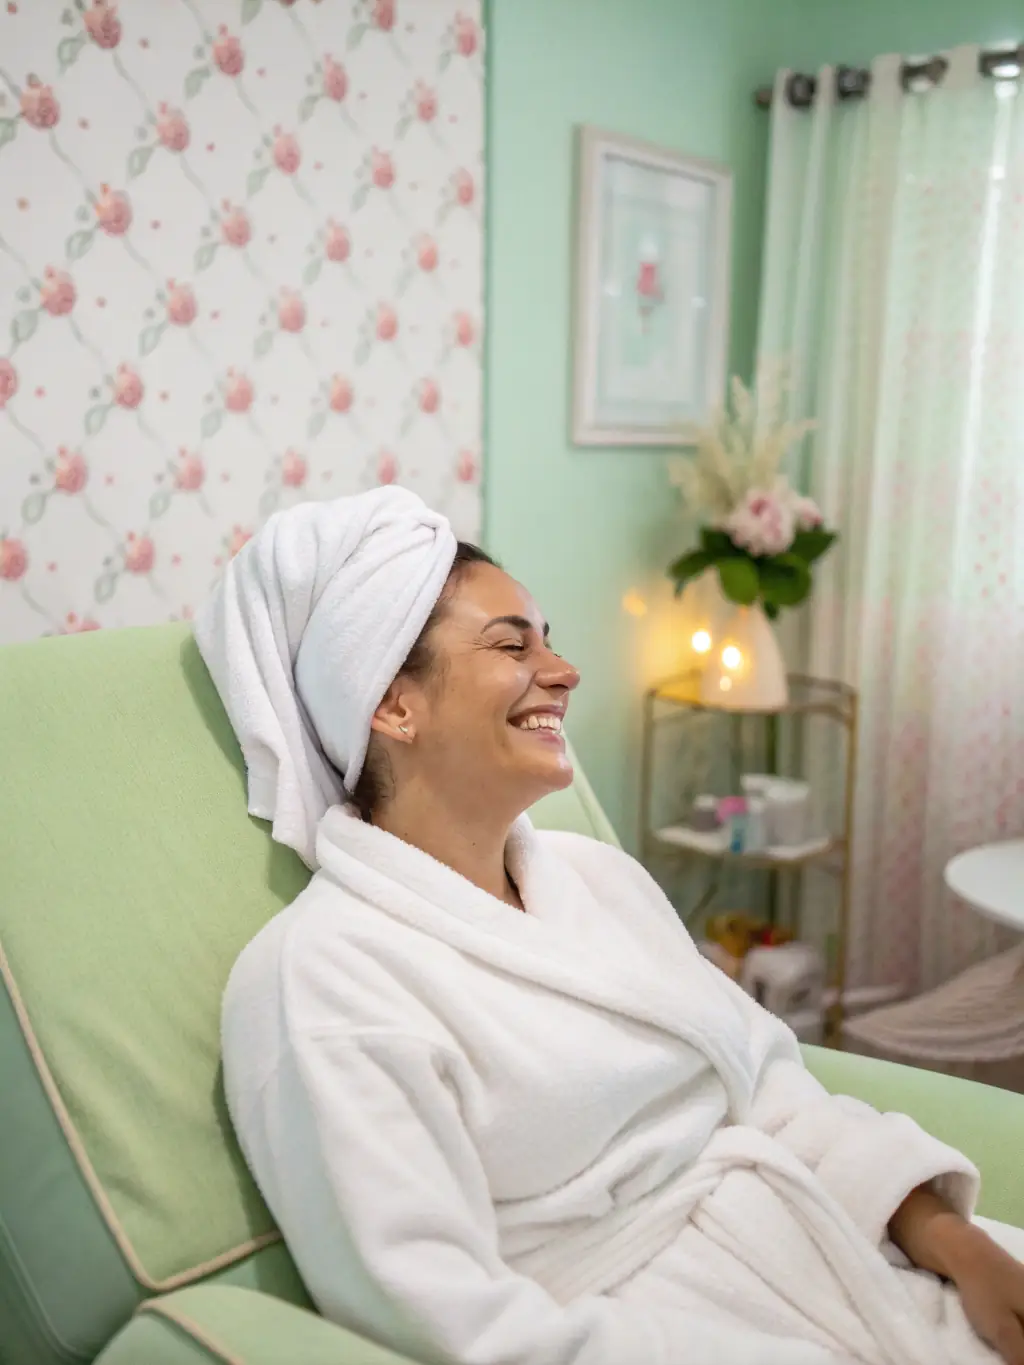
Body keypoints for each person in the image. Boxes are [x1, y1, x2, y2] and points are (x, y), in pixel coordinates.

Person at [196, 487, 1024, 1365]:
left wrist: (963, 1248)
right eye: (513, 643)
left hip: (852, 1258)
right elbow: (448, 1320)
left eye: (550, 639)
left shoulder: (599, 879)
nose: (563, 670)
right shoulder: (326, 977)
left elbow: (775, 1093)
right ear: (393, 704)